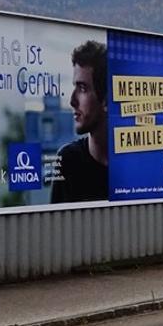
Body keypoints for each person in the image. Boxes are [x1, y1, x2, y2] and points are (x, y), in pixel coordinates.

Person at [52, 40, 108, 203]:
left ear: (106, 99)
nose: (72, 101)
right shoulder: (68, 160)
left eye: (82, 88)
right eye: (74, 87)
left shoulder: (135, 162)